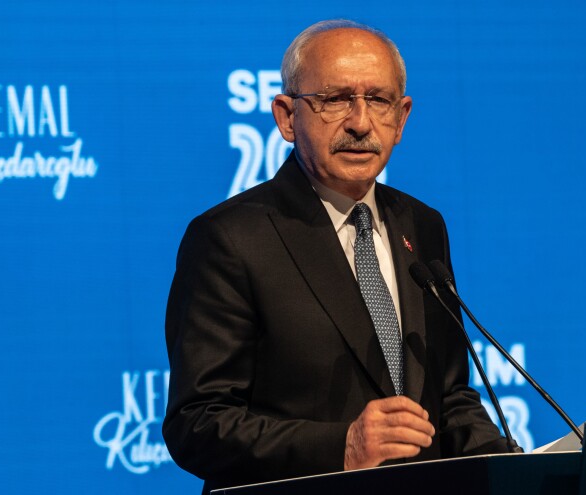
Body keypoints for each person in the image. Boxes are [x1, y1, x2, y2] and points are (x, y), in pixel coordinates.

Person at [162, 19, 516, 493]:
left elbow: (448, 396)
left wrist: (512, 467)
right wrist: (342, 447)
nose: (360, 121)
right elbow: (198, 424)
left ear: (401, 118)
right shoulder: (230, 238)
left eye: (378, 100)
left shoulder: (422, 226)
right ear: (287, 117)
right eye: (334, 100)